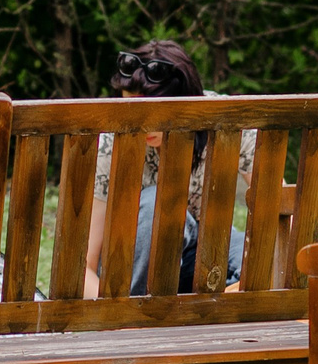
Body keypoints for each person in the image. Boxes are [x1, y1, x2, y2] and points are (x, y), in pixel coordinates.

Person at [81, 40, 247, 297]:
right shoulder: (110, 142)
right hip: (135, 267)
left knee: (254, 256)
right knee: (156, 201)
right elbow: (86, 267)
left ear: (186, 102)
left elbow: (276, 206)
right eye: (131, 110)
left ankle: (189, 310)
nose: (143, 125)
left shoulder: (225, 119)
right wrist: (116, 311)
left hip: (204, 251)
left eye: (152, 113)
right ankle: (147, 314)